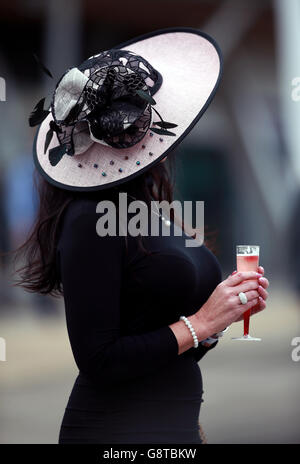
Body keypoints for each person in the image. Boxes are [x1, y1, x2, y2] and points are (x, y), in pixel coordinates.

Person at [15, 27, 269, 444]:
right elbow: (99, 359)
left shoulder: (149, 208)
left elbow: (169, 338)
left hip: (176, 427)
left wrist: (220, 318)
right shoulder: (90, 219)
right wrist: (202, 320)